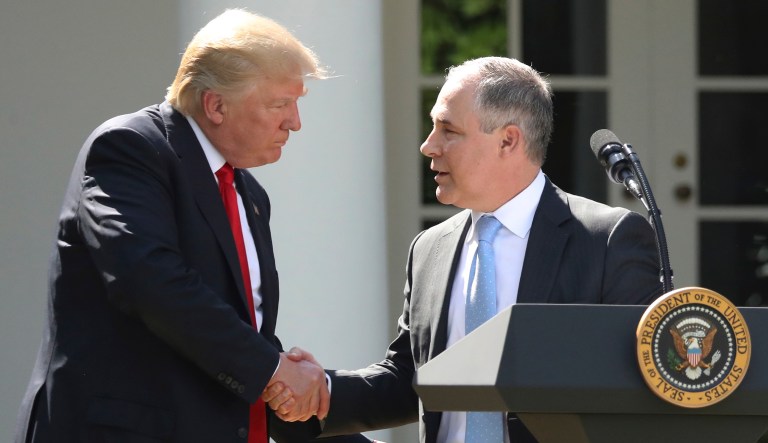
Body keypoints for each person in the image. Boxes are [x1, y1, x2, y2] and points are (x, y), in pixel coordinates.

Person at [14, 9, 369, 443]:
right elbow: (152, 282)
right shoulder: (130, 149)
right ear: (215, 105)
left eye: (297, 104)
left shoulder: (249, 195)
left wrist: (288, 383)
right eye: (280, 104)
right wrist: (275, 371)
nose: (294, 122)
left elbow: (234, 337)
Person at [266, 56, 664, 442]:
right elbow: (411, 379)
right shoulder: (429, 249)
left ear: (508, 140)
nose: (428, 146)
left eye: (448, 130)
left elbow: (635, 392)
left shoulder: (607, 240)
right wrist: (321, 393)